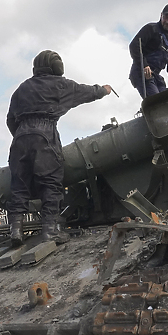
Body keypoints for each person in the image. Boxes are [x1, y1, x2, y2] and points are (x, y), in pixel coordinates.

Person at [6, 50, 112, 246]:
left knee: (19, 185)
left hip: (20, 138)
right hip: (45, 134)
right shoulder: (60, 84)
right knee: (51, 183)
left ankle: (15, 230)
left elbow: (10, 120)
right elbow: (86, 92)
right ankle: (50, 231)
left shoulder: (22, 88)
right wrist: (103, 90)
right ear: (56, 67)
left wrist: (24, 137)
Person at [128, 4, 168, 98]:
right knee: (157, 102)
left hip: (156, 77)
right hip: (141, 73)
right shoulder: (151, 29)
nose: (167, 21)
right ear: (161, 15)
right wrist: (144, 65)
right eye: (166, 17)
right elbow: (134, 46)